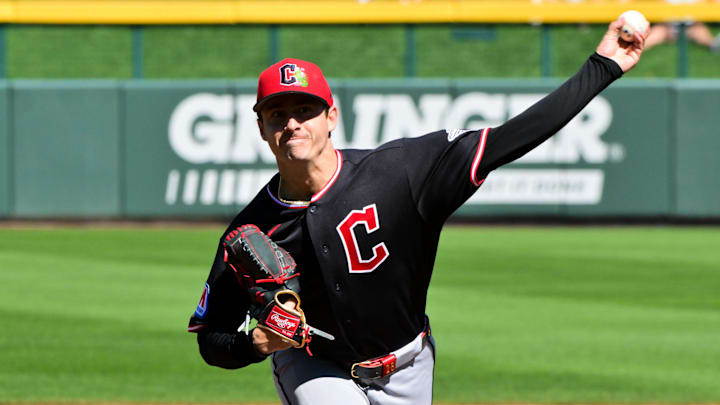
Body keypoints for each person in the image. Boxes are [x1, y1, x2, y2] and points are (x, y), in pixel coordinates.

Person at [188, 17, 647, 405]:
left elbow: (512, 137)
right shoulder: (250, 230)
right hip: (315, 365)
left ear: (331, 117)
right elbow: (211, 337)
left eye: (305, 109)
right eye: (277, 113)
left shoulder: (401, 173)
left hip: (407, 366)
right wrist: (255, 344)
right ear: (262, 128)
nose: (291, 122)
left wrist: (602, 67)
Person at [645, 21, 720, 52]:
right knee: (656, 33)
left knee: (700, 32)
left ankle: (713, 45)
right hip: (667, 25)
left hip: (691, 25)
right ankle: (637, 46)